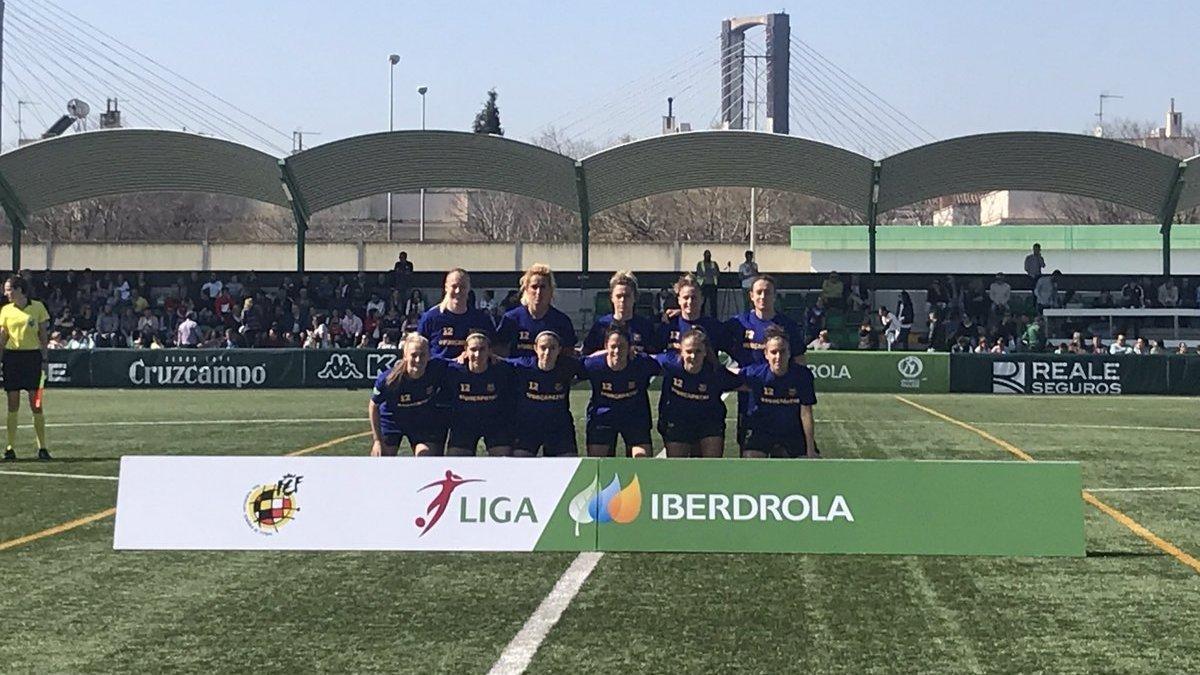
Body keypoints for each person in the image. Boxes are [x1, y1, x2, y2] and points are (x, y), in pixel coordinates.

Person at [724, 274, 807, 446]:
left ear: (774, 296)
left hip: (781, 398)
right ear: (751, 296)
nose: (763, 297)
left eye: (767, 293)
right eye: (759, 292)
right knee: (750, 451)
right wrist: (680, 314)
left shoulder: (787, 325)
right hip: (750, 397)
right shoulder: (738, 323)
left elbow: (799, 360)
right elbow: (708, 334)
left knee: (781, 454)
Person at [654, 329, 742, 458]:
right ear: (681, 351)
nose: (693, 356)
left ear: (705, 352)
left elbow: (745, 383)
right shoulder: (670, 363)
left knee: (710, 467)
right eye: (689, 351)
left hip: (708, 422)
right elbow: (645, 360)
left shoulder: (715, 372)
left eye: (698, 351)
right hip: (678, 421)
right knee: (676, 468)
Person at [737, 327, 817, 458]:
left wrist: (811, 450)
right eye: (773, 352)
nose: (778, 357)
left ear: (789, 353)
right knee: (750, 459)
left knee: (807, 463)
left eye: (782, 351)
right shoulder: (755, 374)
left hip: (793, 430)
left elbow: (806, 413)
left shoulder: (802, 376)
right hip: (763, 430)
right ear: (766, 354)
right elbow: (728, 377)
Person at [582, 327, 660, 458]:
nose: (617, 351)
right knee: (597, 462)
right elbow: (571, 368)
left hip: (634, 416)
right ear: (606, 346)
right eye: (613, 346)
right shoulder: (593, 365)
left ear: (630, 348)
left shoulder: (641, 363)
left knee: (642, 458)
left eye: (622, 346)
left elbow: (662, 365)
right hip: (603, 416)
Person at [368, 333, 448, 457]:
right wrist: (377, 441)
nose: (418, 360)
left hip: (422, 421)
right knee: (382, 457)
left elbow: (459, 364)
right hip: (392, 420)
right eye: (414, 355)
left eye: (422, 355)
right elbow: (373, 406)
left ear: (429, 356)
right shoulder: (389, 379)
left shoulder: (437, 368)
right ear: (405, 356)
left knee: (427, 457)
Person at [507, 331, 583, 457]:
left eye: (552, 348)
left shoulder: (569, 366)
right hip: (527, 426)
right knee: (519, 462)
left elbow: (594, 362)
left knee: (568, 463)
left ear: (559, 349)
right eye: (543, 348)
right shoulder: (522, 366)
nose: (547, 353)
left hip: (559, 427)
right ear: (535, 348)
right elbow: (495, 361)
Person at [0, 276, 52, 461]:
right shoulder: (5, 310)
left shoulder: (37, 307)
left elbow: (43, 334)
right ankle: (10, 448)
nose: (5, 293)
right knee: (12, 404)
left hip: (32, 358)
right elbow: (3, 336)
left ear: (19, 290)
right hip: (12, 358)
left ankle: (42, 448)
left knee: (36, 404)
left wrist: (44, 357)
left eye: (8, 289)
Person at [444, 332, 514, 457]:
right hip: (464, 424)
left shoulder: (502, 369)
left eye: (482, 349)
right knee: (456, 458)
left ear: (489, 351)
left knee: (504, 458)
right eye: (473, 350)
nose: (477, 354)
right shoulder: (453, 370)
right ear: (465, 351)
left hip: (494, 423)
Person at [496, 264, 577, 357]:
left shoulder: (561, 321)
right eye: (534, 287)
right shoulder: (511, 319)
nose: (538, 292)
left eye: (543, 287)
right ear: (526, 289)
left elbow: (569, 353)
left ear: (551, 290)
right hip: (519, 370)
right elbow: (498, 350)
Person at [417, 268, 494, 360]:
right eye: (454, 286)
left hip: (469, 373)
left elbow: (493, 349)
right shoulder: (430, 318)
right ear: (446, 288)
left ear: (469, 288)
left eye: (462, 287)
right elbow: (419, 348)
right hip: (439, 372)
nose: (458, 291)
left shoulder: (481, 319)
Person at [583, 271, 657, 355]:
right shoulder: (601, 326)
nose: (622, 300)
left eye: (627, 296)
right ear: (611, 298)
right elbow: (587, 357)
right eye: (618, 296)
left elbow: (654, 357)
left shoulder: (645, 326)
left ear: (635, 297)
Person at [658, 274, 729, 355]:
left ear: (702, 300)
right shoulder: (669, 324)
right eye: (686, 297)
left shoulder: (714, 326)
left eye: (694, 297)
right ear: (679, 300)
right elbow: (655, 352)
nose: (690, 302)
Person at [695, 250, 721, 318]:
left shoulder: (714, 263)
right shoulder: (700, 264)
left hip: (712, 285)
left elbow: (717, 273)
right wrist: (711, 272)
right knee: (702, 303)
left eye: (709, 255)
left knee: (713, 304)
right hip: (703, 286)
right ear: (704, 256)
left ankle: (714, 318)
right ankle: (701, 317)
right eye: (706, 255)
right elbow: (700, 273)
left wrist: (708, 273)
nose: (708, 256)